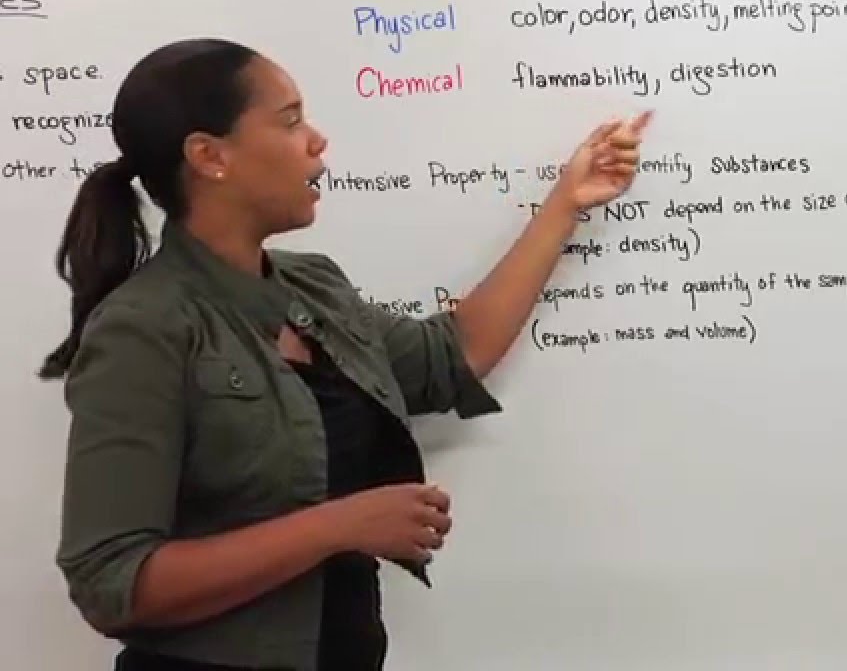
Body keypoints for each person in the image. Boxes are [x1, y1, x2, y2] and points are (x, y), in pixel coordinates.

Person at [39, 37, 651, 671]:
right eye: (290, 121)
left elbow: (454, 354)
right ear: (210, 156)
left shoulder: (314, 289)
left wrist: (565, 203)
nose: (317, 140)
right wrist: (339, 525)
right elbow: (112, 582)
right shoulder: (143, 328)